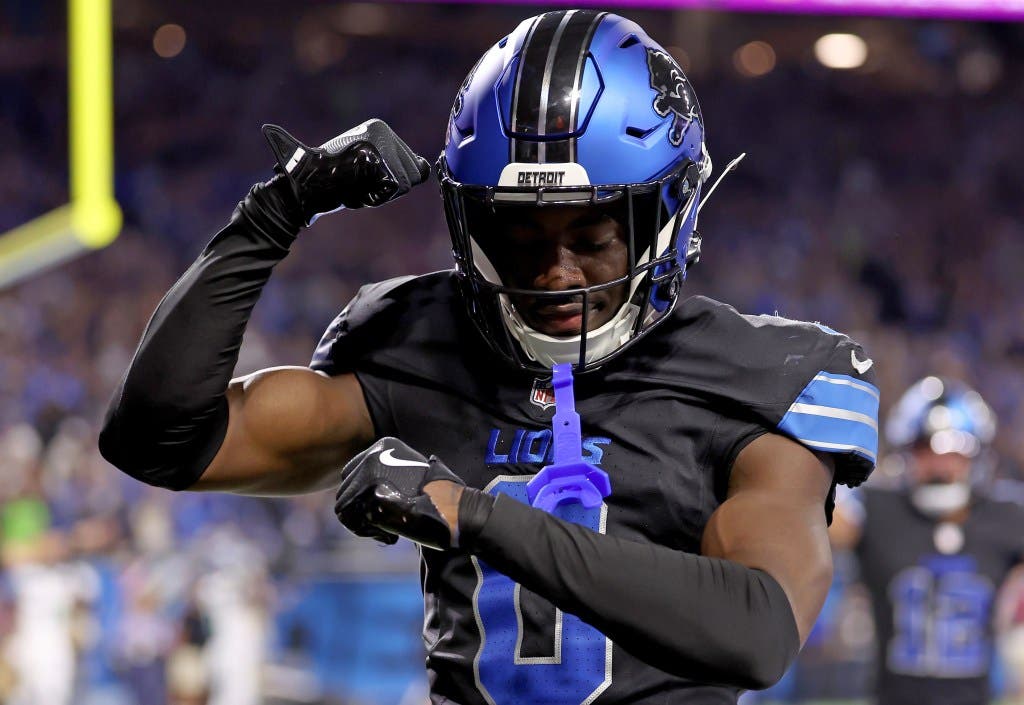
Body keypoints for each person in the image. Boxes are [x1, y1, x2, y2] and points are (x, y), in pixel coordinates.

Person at [100, 10, 881, 704]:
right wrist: (274, 211)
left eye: (592, 235)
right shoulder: (422, 343)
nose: (557, 271)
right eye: (521, 235)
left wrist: (472, 515)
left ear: (665, 218)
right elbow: (159, 438)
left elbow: (757, 632)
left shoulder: (757, 375)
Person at [830, 376, 1024, 705]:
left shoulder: (1004, 517)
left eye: (953, 451)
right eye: (926, 450)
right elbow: (816, 521)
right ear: (906, 453)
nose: (940, 465)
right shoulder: (878, 511)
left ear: (976, 455)